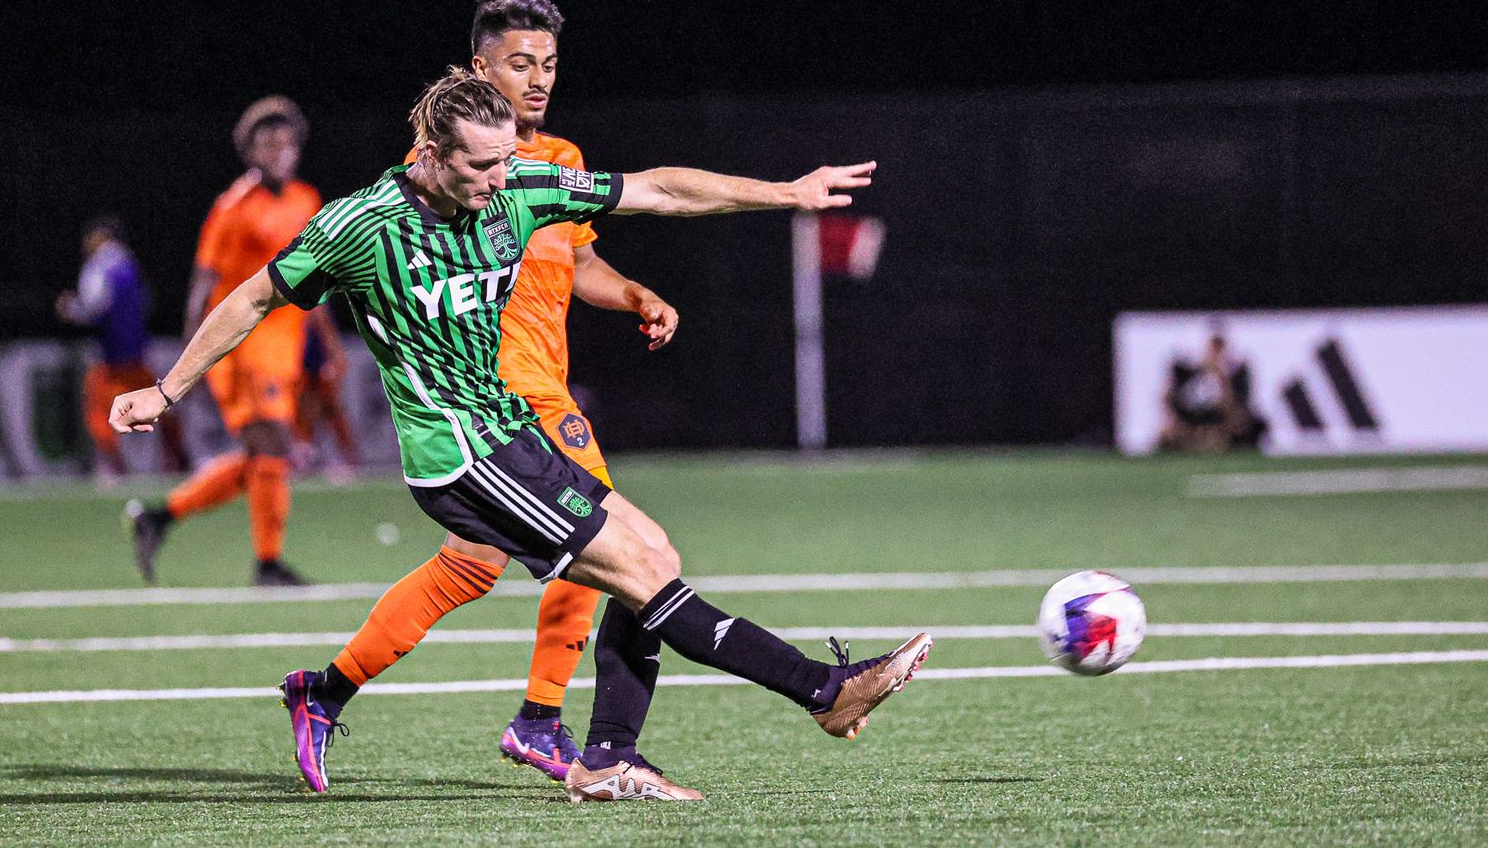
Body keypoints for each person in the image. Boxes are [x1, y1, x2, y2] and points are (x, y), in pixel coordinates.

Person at [110, 67, 929, 802]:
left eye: (506, 162)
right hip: (457, 456)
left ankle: (606, 755)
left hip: (512, 433)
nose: (500, 180)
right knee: (640, 572)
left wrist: (787, 193)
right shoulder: (359, 226)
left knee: (656, 557)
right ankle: (823, 691)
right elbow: (251, 296)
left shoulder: (519, 189)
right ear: (429, 152)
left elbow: (658, 190)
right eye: (480, 165)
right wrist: (167, 389)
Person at [354, 0, 680, 781]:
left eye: (550, 65)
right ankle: (541, 719)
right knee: (612, 543)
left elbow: (579, 261)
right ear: (479, 69)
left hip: (538, 384)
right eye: (520, 64)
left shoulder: (561, 159)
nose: (538, 80)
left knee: (470, 564)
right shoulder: (440, 168)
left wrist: (635, 292)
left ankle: (326, 691)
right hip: (498, 396)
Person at [125, 96, 321, 586]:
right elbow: (201, 283)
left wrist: (331, 346)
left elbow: (320, 279)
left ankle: (161, 517)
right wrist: (189, 363)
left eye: (286, 141)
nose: (278, 150)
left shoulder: (307, 201)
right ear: (249, 152)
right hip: (244, 347)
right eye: (266, 142)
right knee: (272, 446)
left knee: (264, 459)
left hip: (285, 344)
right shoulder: (232, 208)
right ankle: (268, 564)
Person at [56, 214, 189, 483]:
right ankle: (178, 459)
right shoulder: (129, 263)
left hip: (112, 361)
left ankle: (112, 468)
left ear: (100, 237)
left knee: (99, 411)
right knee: (161, 405)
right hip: (137, 354)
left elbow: (93, 307)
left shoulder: (99, 266)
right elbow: (146, 302)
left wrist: (70, 308)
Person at [1156, 330, 1267, 453]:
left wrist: (1220, 377)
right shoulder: (1188, 369)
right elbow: (1168, 399)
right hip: (1190, 419)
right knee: (1167, 433)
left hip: (1220, 421)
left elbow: (1233, 407)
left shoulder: (1234, 372)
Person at [293, 307, 361, 482]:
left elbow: (324, 325)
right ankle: (305, 453)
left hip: (318, 354)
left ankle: (347, 456)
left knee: (331, 406)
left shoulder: (314, 302)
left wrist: (334, 355)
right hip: (300, 352)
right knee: (303, 406)